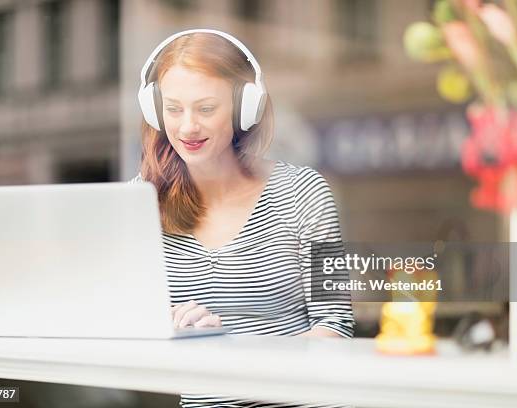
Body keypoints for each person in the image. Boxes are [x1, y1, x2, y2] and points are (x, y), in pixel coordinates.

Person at [131, 29, 354, 408]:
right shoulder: (141, 199)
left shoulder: (304, 193)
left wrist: (234, 349)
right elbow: (121, 322)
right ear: (154, 110)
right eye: (173, 109)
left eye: (205, 108)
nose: (187, 127)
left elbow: (335, 330)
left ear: (243, 108)